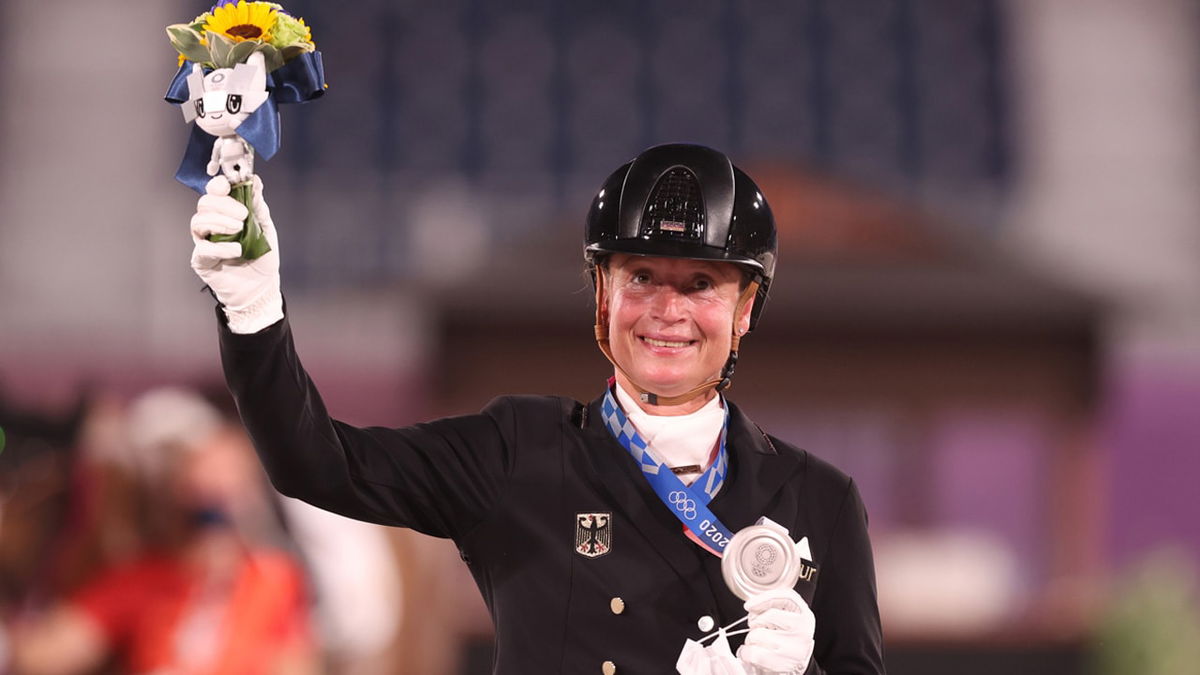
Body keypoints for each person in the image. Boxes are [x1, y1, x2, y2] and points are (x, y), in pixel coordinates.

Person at [187, 143, 885, 674]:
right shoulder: (517, 450)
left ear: (744, 310)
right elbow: (317, 463)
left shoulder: (819, 499)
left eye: (701, 283)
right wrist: (254, 312)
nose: (667, 312)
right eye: (640, 276)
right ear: (604, 295)